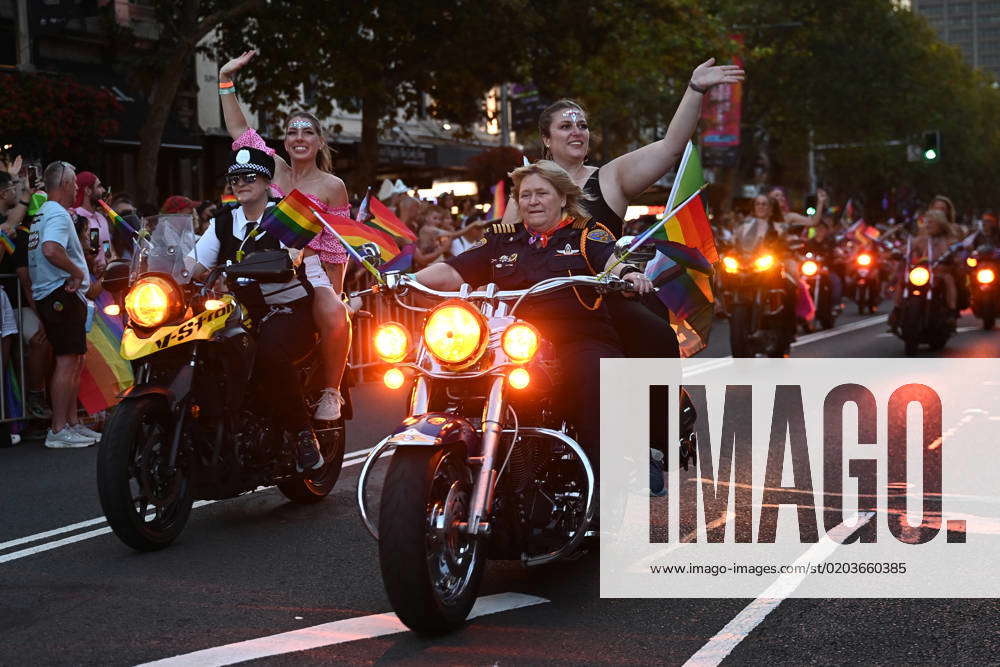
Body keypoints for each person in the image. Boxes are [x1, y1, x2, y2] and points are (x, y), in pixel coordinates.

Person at [414, 160, 651, 470]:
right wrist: (401, 279)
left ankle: (604, 483)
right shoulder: (501, 240)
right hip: (511, 340)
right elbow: (453, 271)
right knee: (445, 371)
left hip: (578, 337)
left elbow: (609, 261)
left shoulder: (586, 234)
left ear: (563, 197)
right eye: (525, 195)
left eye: (542, 193)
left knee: (596, 376)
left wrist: (629, 274)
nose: (533, 201)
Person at [502, 59, 744, 359]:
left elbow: (671, 147)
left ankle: (657, 405)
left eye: (583, 126)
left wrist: (694, 89)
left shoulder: (610, 177)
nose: (577, 132)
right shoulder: (525, 189)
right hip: (537, 307)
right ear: (546, 139)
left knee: (657, 336)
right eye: (566, 126)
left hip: (602, 304)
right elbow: (499, 250)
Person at [219, 50, 350, 422]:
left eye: (308, 131)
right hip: (260, 265)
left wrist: (335, 291)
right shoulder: (271, 168)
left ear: (320, 142)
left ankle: (331, 390)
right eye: (292, 131)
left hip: (309, 268)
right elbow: (238, 133)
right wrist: (226, 80)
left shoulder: (332, 186)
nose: (299, 137)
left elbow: (336, 246)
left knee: (334, 313)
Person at [190, 146, 324, 472]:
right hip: (240, 313)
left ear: (266, 182)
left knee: (267, 354)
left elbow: (293, 256)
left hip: (287, 309)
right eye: (234, 178)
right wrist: (162, 268)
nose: (240, 183)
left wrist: (280, 261)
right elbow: (194, 264)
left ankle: (303, 434)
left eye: (249, 176)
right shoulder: (223, 223)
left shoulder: (286, 214)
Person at [27, 161, 100, 448]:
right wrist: (78, 272)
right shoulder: (56, 213)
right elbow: (50, 249)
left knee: (75, 361)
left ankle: (71, 423)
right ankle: (58, 429)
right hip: (60, 294)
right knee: (68, 361)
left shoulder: (44, 212)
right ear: (65, 185)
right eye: (74, 184)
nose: (78, 189)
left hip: (58, 294)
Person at [72, 171, 111, 274]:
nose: (103, 190)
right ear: (88, 190)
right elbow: (89, 253)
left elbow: (106, 244)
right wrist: (94, 264)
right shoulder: (76, 217)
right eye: (99, 186)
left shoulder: (101, 218)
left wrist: (109, 262)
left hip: (106, 278)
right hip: (88, 280)